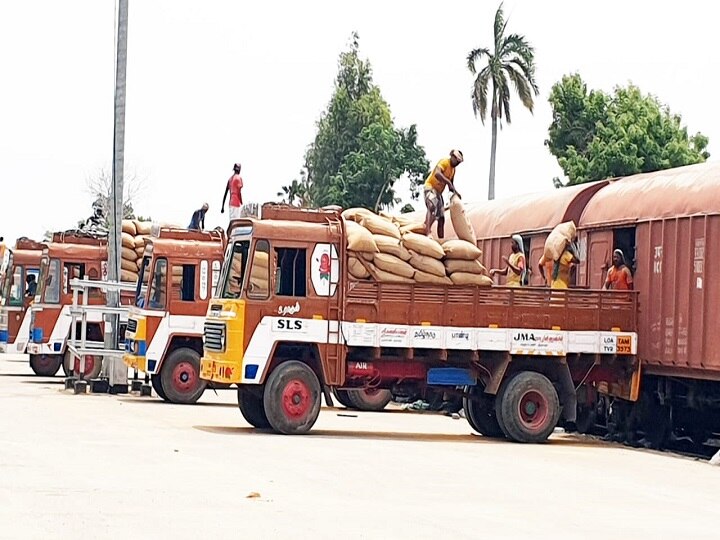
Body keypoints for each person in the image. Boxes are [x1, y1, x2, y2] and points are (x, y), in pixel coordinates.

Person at [423, 150, 463, 238]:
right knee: (432, 206)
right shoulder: (444, 162)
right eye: (457, 161)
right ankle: (427, 232)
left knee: (441, 218)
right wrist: (448, 182)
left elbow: (451, 185)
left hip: (438, 192)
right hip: (430, 187)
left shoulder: (453, 170)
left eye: (459, 162)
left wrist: (456, 193)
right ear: (452, 157)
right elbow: (437, 174)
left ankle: (441, 240)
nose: (457, 163)